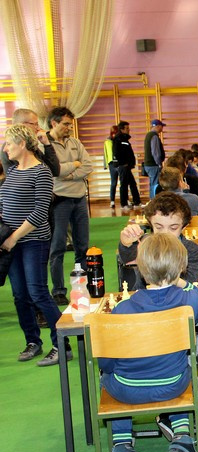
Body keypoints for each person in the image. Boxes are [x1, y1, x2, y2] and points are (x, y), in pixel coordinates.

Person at [97, 233, 198, 452]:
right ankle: (182, 437)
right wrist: (181, 281)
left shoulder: (121, 310)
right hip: (173, 385)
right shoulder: (188, 303)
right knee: (183, 367)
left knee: (106, 376)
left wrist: (109, 372)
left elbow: (106, 362)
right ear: (181, 267)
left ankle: (122, 447)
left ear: (140, 268)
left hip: (126, 390)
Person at [1, 124, 69, 367]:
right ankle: (33, 341)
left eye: (9, 143)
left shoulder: (41, 172)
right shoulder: (13, 171)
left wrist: (13, 238)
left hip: (33, 242)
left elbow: (40, 212)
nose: (5, 148)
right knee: (20, 295)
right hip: (11, 244)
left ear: (22, 144)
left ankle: (62, 345)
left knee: (38, 293)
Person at [47, 106, 93, 307]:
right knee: (57, 247)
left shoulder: (75, 142)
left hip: (79, 198)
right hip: (59, 200)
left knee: (82, 246)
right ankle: (58, 291)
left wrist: (70, 174)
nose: (69, 128)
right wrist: (74, 165)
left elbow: (88, 165)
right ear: (54, 123)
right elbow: (54, 171)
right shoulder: (44, 145)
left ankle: (82, 286)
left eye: (70, 124)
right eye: (66, 124)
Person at [118, 192, 198, 290]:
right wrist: (126, 244)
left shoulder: (193, 250)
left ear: (183, 227)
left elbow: (189, 283)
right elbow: (126, 260)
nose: (165, 233)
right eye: (159, 227)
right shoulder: (143, 245)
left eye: (173, 228)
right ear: (151, 224)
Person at [0, 108, 60, 177]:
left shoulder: (30, 145)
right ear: (21, 125)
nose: (38, 128)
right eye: (35, 124)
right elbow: (30, 175)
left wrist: (47, 144)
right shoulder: (11, 147)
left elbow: (54, 171)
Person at [113, 121, 141, 211]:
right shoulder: (118, 139)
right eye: (127, 128)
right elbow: (116, 153)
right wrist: (123, 163)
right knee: (124, 185)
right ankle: (123, 204)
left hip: (127, 166)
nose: (129, 130)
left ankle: (137, 202)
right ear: (122, 129)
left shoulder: (125, 139)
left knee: (132, 184)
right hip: (123, 166)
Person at [143, 119, 166, 198]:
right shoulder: (154, 136)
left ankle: (152, 200)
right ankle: (154, 201)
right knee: (155, 185)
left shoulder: (148, 135)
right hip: (153, 165)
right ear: (158, 126)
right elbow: (155, 152)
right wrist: (159, 164)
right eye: (162, 126)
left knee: (152, 184)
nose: (162, 128)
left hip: (149, 165)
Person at [104, 125, 119, 208]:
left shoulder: (119, 140)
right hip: (112, 164)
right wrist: (105, 164)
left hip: (120, 163)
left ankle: (126, 200)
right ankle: (112, 201)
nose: (114, 134)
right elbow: (105, 153)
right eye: (113, 132)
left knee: (124, 183)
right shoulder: (107, 141)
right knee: (114, 183)